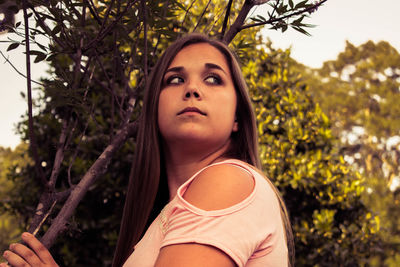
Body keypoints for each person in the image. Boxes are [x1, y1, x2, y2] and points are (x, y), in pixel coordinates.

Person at [1, 33, 294, 267]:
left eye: (213, 79)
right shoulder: (167, 218)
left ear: (237, 118)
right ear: (154, 108)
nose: (192, 89)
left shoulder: (227, 181)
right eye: (175, 79)